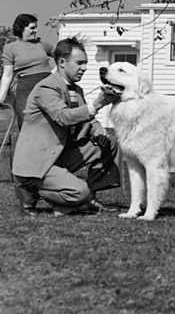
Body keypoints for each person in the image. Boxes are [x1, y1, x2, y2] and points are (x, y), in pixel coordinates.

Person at [12, 37, 121, 216]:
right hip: (37, 163)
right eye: (79, 63)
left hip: (59, 154)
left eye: (85, 63)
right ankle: (29, 188)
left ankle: (88, 200)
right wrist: (96, 104)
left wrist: (98, 129)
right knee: (80, 192)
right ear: (62, 62)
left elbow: (86, 120)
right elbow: (63, 117)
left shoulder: (77, 91)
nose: (84, 68)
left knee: (108, 144)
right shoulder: (46, 88)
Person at [0, 14, 55, 128]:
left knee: (51, 122)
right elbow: (7, 75)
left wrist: (55, 75)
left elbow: (62, 57)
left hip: (47, 87)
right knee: (28, 124)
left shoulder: (42, 45)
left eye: (36, 27)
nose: (36, 30)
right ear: (21, 28)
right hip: (26, 89)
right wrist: (1, 97)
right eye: (32, 28)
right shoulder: (10, 48)